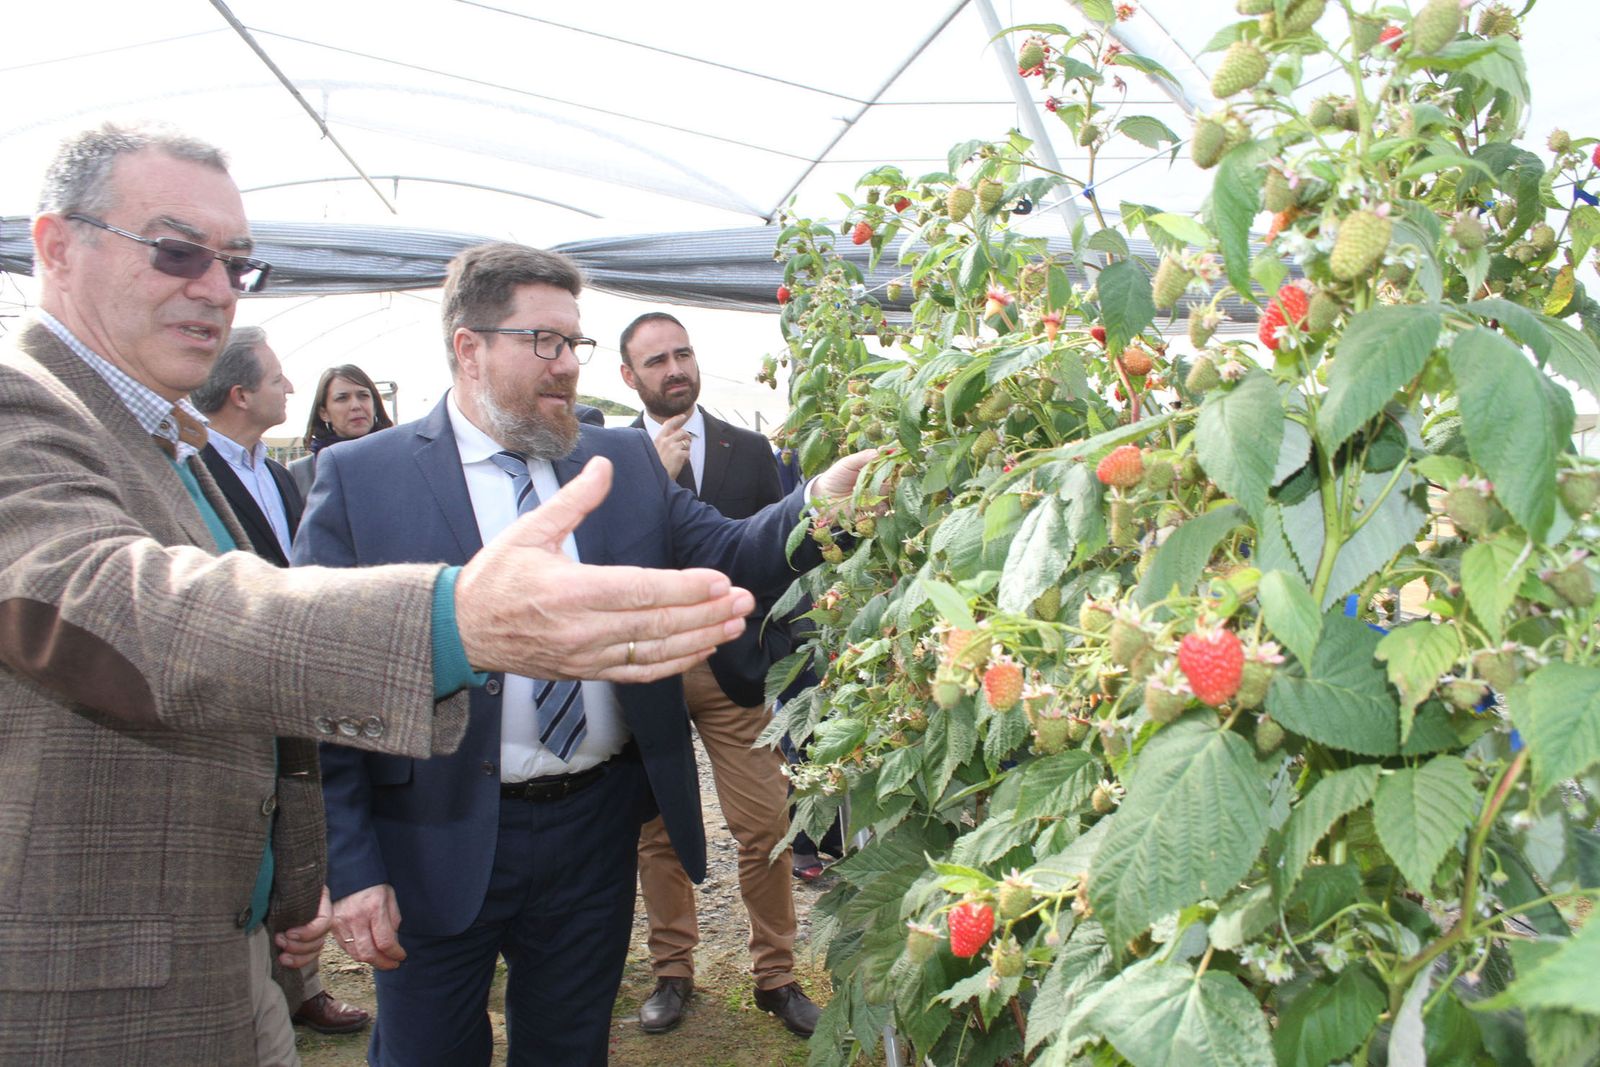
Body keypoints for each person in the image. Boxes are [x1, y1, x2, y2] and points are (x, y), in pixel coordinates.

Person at [0, 122, 766, 1067]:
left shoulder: (160, 440)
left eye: (236, 263)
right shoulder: (25, 403)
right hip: (105, 983)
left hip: (277, 931)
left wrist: (826, 508)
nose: (216, 288)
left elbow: (253, 690)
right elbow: (132, 611)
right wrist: (454, 619)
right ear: (56, 246)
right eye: (176, 250)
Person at [295, 242, 874, 1066]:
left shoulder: (620, 462)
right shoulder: (363, 477)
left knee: (569, 1046)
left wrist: (819, 503)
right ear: (469, 346)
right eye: (544, 341)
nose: (568, 363)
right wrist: (351, 866)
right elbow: (325, 684)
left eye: (575, 342)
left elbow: (731, 552)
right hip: (435, 835)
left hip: (592, 829)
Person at [618, 312, 818, 1037]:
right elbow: (608, 564)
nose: (675, 368)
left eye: (683, 353)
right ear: (628, 376)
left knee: (765, 826)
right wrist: (652, 479)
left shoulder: (749, 448)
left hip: (733, 668)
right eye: (656, 360)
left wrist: (776, 643)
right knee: (658, 833)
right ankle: (672, 971)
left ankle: (777, 975)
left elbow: (774, 550)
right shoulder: (613, 458)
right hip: (651, 673)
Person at [191, 327, 372, 1035]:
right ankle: (263, 982)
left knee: (300, 829)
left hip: (294, 680)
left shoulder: (279, 473)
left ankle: (301, 985)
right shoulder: (192, 468)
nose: (291, 387)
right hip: (236, 686)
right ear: (240, 394)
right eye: (277, 379)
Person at [287, 363, 394, 497]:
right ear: (324, 413)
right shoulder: (301, 473)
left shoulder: (399, 459)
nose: (355, 405)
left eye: (363, 395)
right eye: (342, 398)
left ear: (375, 406)